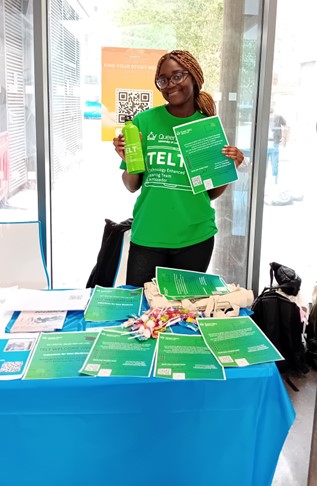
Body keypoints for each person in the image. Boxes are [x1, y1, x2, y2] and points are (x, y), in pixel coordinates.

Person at [113, 50, 244, 287]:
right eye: (163, 80)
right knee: (142, 311)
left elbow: (210, 193)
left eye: (177, 76)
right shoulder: (144, 122)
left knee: (184, 312)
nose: (170, 84)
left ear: (193, 77)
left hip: (195, 238)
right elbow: (131, 185)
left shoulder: (206, 127)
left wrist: (228, 168)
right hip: (148, 236)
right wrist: (129, 157)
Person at [268, 108, 288, 183]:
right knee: (269, 161)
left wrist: (284, 138)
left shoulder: (278, 117)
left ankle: (275, 179)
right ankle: (272, 179)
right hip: (268, 142)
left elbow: (285, 126)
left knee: (274, 161)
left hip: (274, 142)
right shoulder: (266, 118)